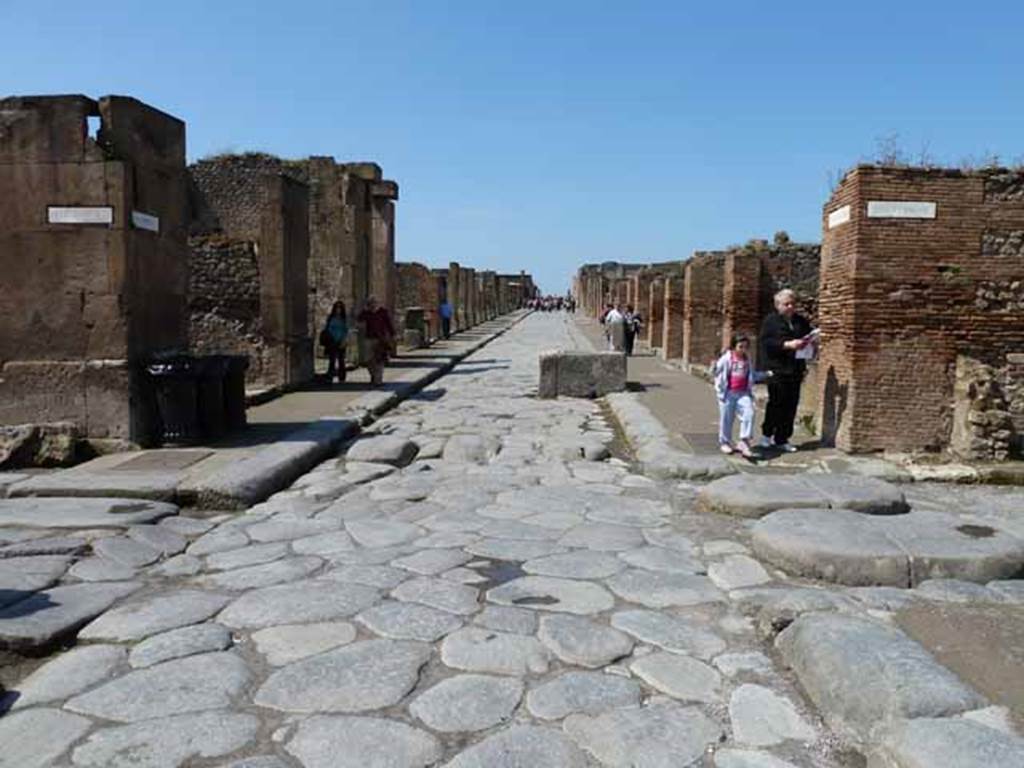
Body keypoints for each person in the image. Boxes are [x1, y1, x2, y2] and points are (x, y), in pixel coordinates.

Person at [758, 289, 814, 452]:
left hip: (795, 368)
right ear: (778, 305)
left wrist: (810, 342)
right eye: (786, 304)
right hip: (777, 368)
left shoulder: (800, 321)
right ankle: (766, 434)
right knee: (776, 402)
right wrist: (786, 344)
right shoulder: (771, 321)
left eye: (792, 304)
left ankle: (782, 438)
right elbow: (767, 342)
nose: (790, 307)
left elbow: (807, 337)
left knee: (791, 404)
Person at [714, 333, 768, 458]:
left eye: (745, 347)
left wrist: (765, 374)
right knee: (727, 418)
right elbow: (717, 372)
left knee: (749, 413)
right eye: (740, 347)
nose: (743, 349)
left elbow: (751, 375)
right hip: (729, 393)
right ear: (733, 347)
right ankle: (725, 442)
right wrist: (720, 389)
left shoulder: (747, 359)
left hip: (743, 393)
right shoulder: (727, 359)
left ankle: (744, 441)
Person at [357, 296, 395, 387]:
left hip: (380, 339)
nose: (373, 305)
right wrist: (364, 313)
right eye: (371, 303)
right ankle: (373, 375)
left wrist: (392, 335)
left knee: (379, 360)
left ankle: (378, 380)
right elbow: (358, 320)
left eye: (375, 302)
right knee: (368, 360)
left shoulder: (383, 312)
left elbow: (388, 324)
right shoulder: (366, 313)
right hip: (368, 338)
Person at [320, 300, 349, 383]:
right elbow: (328, 328)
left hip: (341, 341)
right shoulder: (331, 318)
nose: (338, 309)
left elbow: (346, 330)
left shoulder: (344, 319)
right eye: (337, 307)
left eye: (340, 308)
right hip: (332, 341)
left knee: (341, 360)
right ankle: (330, 376)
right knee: (332, 360)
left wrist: (344, 340)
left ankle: (342, 377)